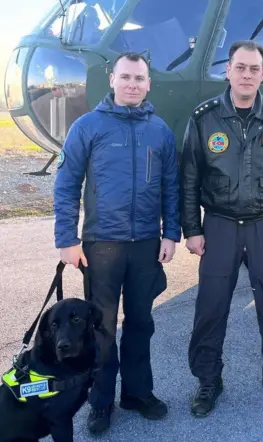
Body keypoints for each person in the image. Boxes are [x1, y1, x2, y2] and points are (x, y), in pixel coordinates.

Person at [53, 52, 181, 434]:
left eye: (139, 79)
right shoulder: (87, 127)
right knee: (102, 328)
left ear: (148, 84)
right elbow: (66, 185)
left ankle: (138, 393)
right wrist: (67, 239)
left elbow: (171, 188)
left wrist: (170, 233)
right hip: (101, 246)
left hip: (145, 244)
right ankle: (101, 401)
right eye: (126, 77)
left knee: (141, 323)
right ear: (112, 80)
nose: (132, 85)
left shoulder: (160, 131)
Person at [181, 40, 263, 417]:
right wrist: (192, 228)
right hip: (219, 224)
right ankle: (208, 381)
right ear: (229, 71)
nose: (248, 75)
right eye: (241, 67)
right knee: (210, 306)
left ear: (262, 74)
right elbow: (189, 177)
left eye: (255, 69)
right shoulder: (204, 118)